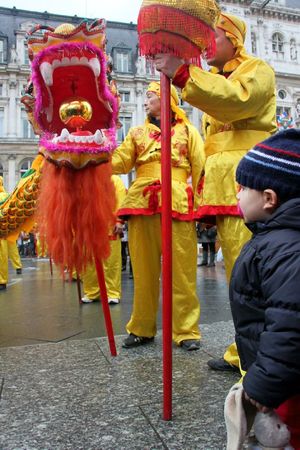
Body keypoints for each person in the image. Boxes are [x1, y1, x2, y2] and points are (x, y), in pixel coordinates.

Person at [154, 12, 277, 370]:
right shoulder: (215, 78)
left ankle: (258, 361)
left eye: (212, 38)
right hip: (225, 183)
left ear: (233, 40)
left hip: (249, 178)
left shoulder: (258, 70)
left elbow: (237, 101)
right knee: (236, 276)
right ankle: (244, 350)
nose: (205, 46)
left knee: (249, 272)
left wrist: (182, 73)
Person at [112, 81, 205, 351]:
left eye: (150, 96)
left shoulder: (189, 131)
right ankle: (141, 328)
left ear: (166, 98)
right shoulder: (137, 132)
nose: (145, 101)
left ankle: (186, 330)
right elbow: (120, 162)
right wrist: (97, 152)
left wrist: (201, 207)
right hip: (143, 200)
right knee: (143, 271)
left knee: (183, 270)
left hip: (177, 201)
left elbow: (200, 169)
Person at [228, 129, 300, 449]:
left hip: (288, 385)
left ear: (269, 198)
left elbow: (290, 325)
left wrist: (263, 385)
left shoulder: (286, 249)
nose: (237, 194)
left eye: (243, 187)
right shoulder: (274, 238)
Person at [81, 175, 126, 304]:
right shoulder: (85, 180)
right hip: (88, 227)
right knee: (89, 262)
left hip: (109, 226)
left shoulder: (115, 180)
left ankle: (112, 292)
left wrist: (119, 221)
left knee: (111, 262)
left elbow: (121, 200)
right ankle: (92, 292)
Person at [0, 176, 22, 290]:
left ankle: (2, 280)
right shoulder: (7, 195)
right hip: (6, 231)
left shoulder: (5, 196)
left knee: (3, 254)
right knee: (4, 254)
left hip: (4, 231)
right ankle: (2, 280)